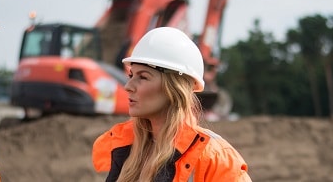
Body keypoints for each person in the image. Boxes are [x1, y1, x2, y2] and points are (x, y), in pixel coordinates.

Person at [92, 27, 252, 182]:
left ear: (174, 88)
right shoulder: (124, 146)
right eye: (131, 75)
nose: (128, 86)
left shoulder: (216, 158)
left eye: (143, 77)